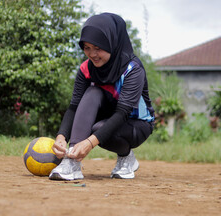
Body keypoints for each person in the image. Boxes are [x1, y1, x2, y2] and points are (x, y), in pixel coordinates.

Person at [49, 13, 155, 181]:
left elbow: (122, 113)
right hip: (104, 121)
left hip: (136, 124)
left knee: (99, 131)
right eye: (87, 48)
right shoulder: (86, 69)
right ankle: (72, 163)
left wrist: (89, 143)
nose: (92, 54)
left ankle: (126, 157)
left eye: (98, 48)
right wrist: (61, 137)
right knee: (93, 92)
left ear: (112, 43)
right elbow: (74, 107)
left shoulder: (133, 69)